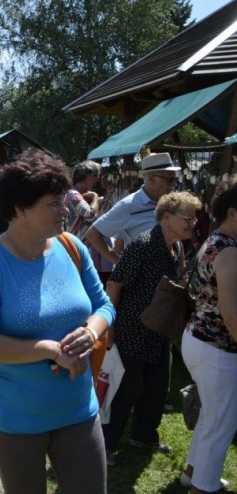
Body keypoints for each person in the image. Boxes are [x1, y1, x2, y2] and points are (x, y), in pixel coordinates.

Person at [0, 148, 114, 493]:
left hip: (78, 410)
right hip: (16, 418)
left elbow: (104, 305)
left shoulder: (71, 246)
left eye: (63, 200)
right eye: (53, 203)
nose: (66, 210)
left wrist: (91, 332)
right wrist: (49, 350)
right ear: (20, 209)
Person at [102, 191, 201, 466]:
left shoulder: (178, 247)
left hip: (159, 331)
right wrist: (110, 324)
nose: (192, 223)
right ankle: (106, 445)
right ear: (167, 218)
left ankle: (144, 436)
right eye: (187, 218)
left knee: (157, 388)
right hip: (133, 328)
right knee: (125, 390)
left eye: (194, 218)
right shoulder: (142, 245)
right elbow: (114, 284)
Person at [180, 176, 237, 494]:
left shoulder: (217, 241)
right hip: (217, 347)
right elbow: (232, 314)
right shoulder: (228, 252)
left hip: (201, 340)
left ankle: (194, 473)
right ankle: (202, 488)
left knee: (212, 418)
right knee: (221, 423)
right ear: (233, 213)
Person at [85, 152, 180, 266]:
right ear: (150, 179)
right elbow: (93, 234)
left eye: (174, 179)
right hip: (143, 281)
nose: (174, 183)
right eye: (169, 179)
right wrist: (119, 262)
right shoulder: (129, 206)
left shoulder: (170, 203)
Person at [65, 161, 101, 238]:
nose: (97, 181)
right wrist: (95, 196)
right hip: (74, 243)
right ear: (90, 176)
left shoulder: (75, 194)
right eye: (96, 176)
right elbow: (92, 216)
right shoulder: (73, 195)